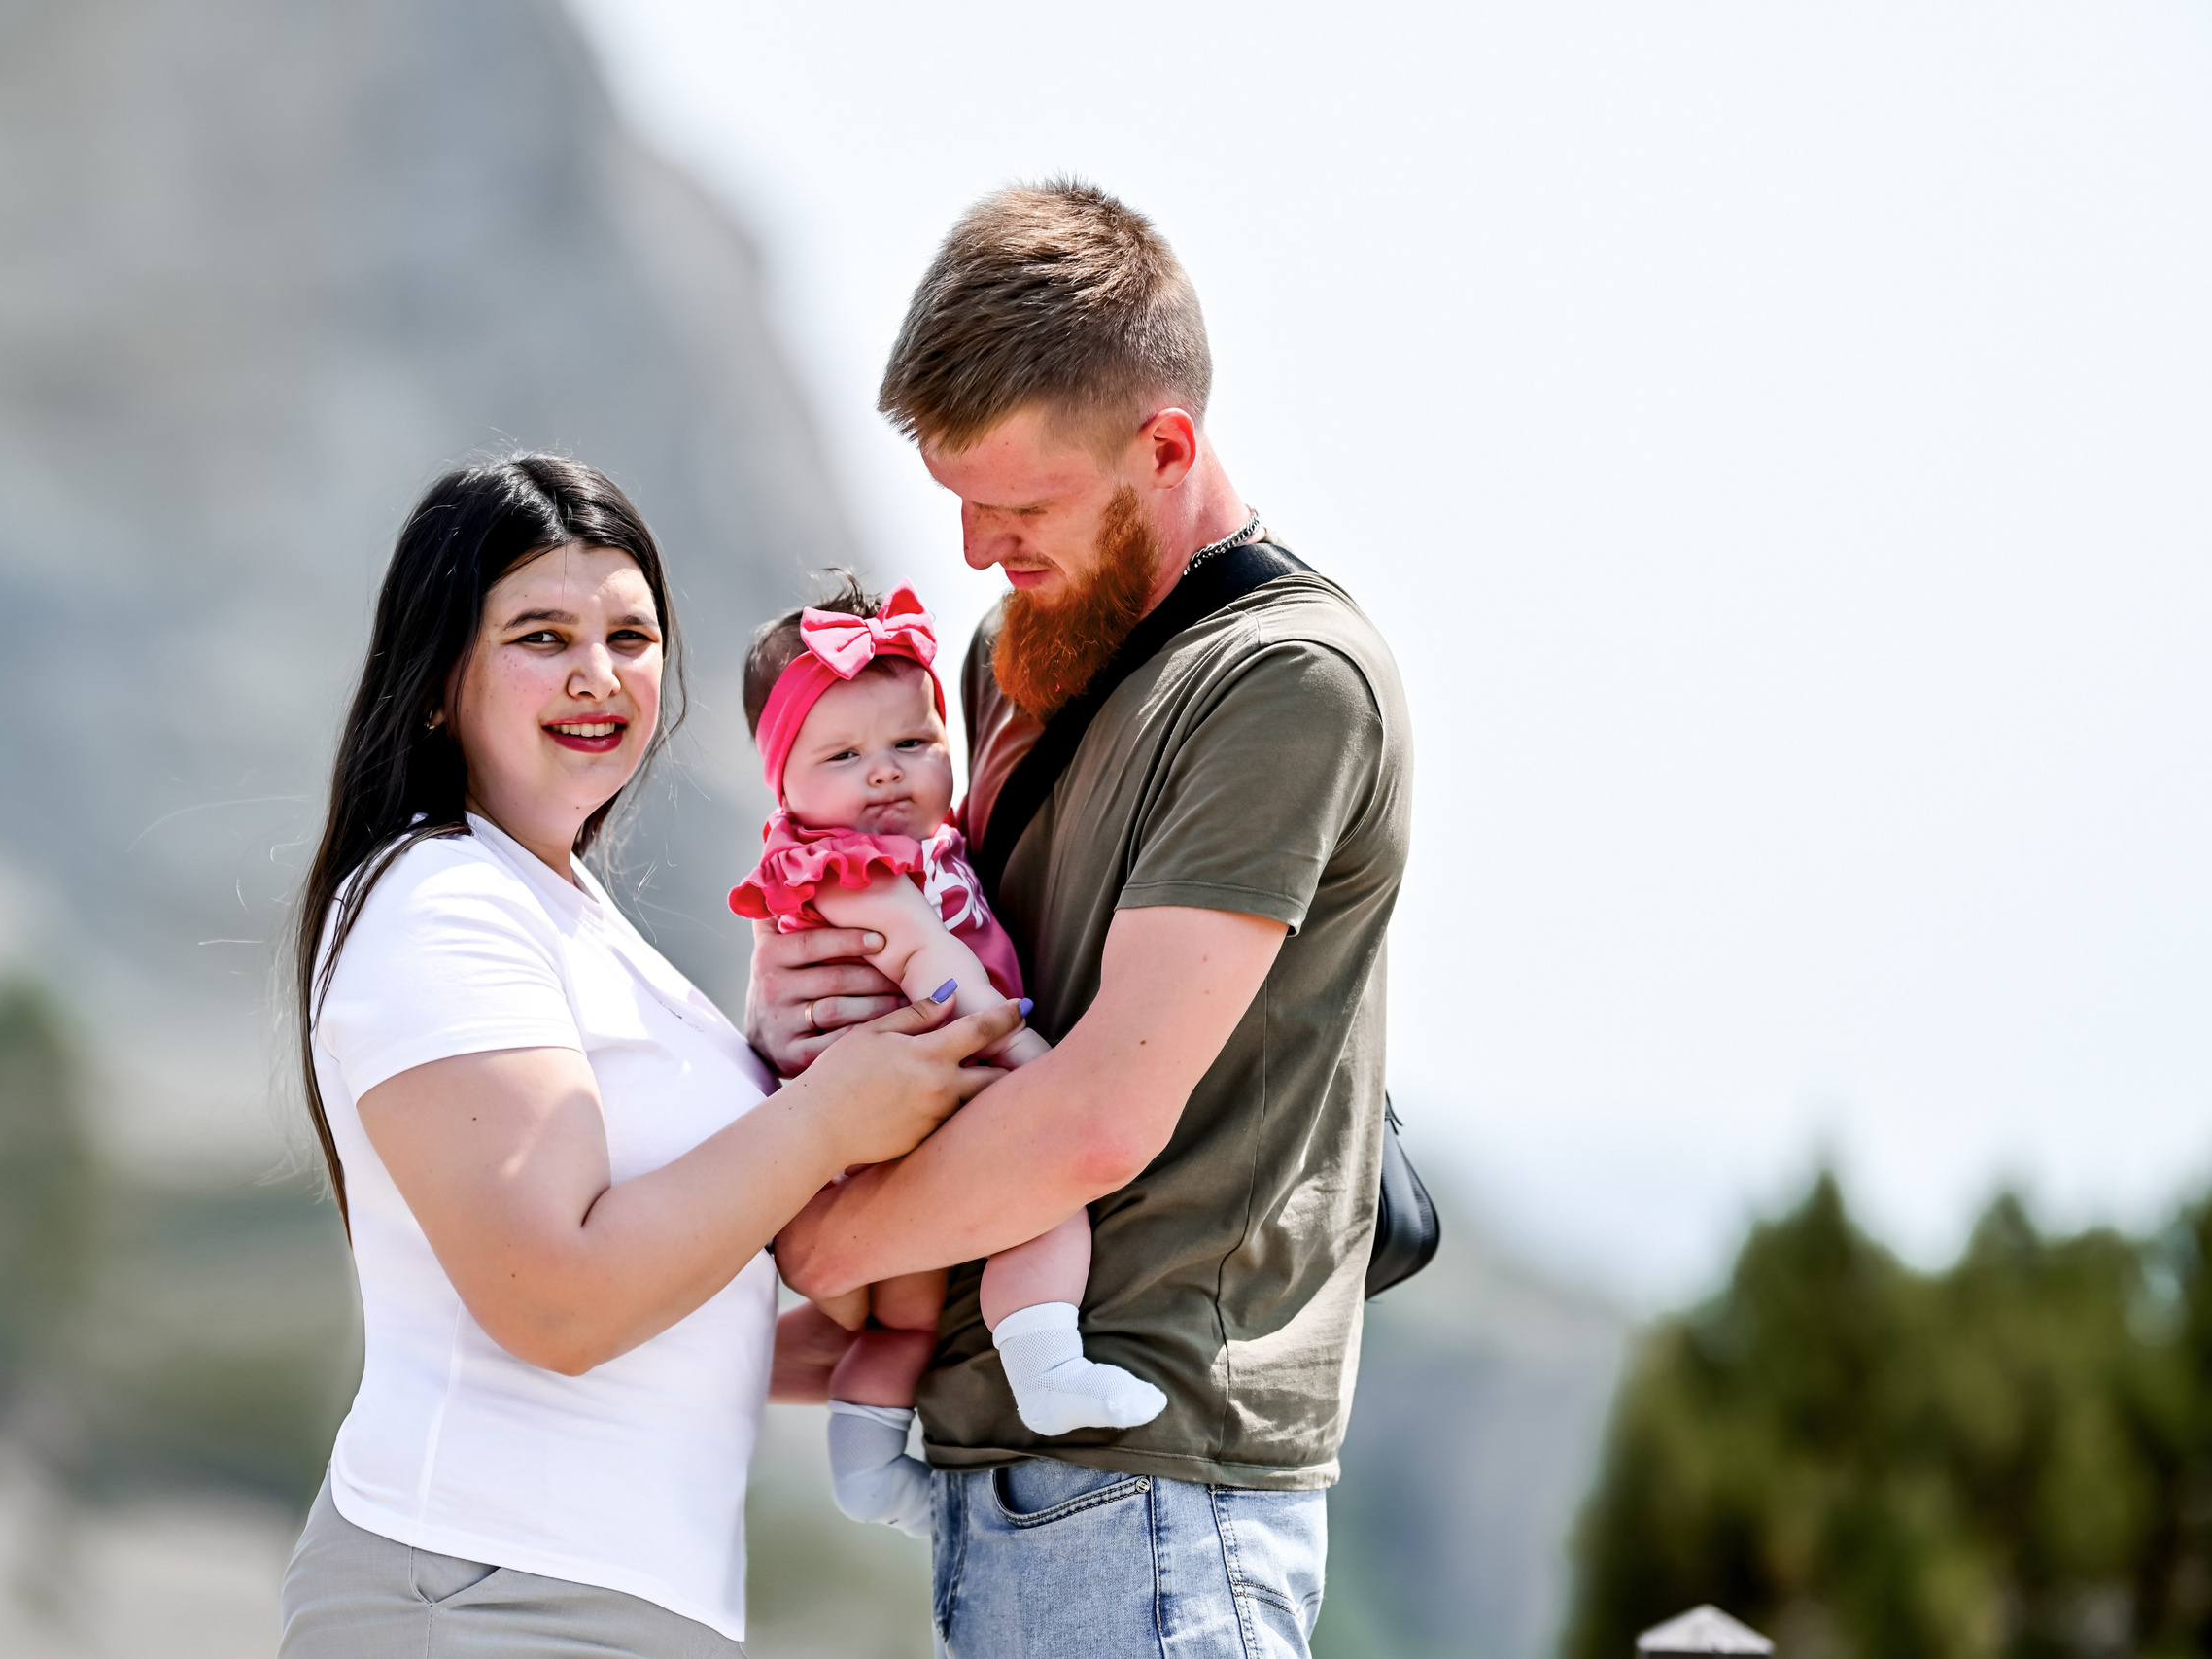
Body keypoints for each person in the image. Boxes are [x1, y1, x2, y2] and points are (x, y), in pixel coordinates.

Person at [757, 183, 1413, 1659]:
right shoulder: (1009, 656)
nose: (980, 547)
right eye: (958, 499)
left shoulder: (1284, 681)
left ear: (1163, 445)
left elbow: (1095, 1117)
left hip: (1158, 1489)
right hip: (1002, 1481)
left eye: (1022, 503)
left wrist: (806, 1229)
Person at [276, 455, 1027, 1658]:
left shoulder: (580, 922)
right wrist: (827, 1121)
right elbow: (560, 1302)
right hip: (481, 1594)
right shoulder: (442, 904)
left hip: (622, 1603)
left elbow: (669, 1297)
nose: (597, 673)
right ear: (433, 683)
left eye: (630, 635)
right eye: (540, 634)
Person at [727, 575, 1167, 1540]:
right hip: (898, 1115)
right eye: (844, 755)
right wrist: (1023, 1050)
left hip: (883, 1135)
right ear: (784, 783)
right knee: (1044, 1196)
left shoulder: (925, 848)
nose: (885, 774)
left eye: (914, 744)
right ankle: (1046, 1365)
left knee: (903, 1330)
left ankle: (874, 1477)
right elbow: (931, 965)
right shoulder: (847, 870)